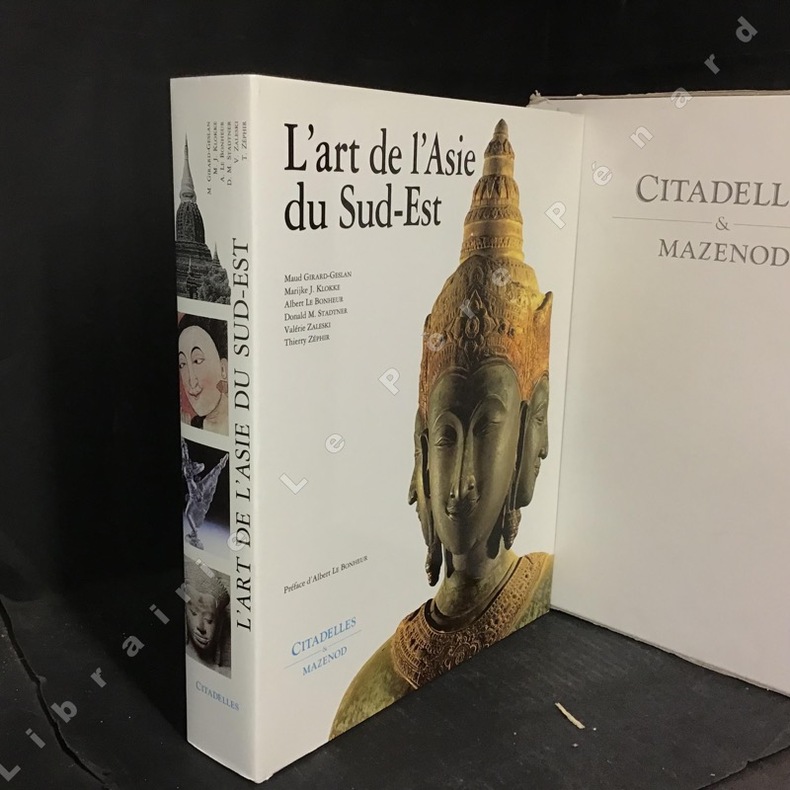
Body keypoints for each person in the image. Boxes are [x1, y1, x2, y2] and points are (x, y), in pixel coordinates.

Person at [331, 120, 554, 737]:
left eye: (486, 430)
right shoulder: (373, 689)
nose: (459, 484)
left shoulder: (556, 596)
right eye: (446, 437)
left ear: (532, 429)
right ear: (419, 448)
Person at [177, 314, 229, 435]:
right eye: (182, 364)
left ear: (223, 368)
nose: (192, 381)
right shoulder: (191, 428)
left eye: (197, 360)